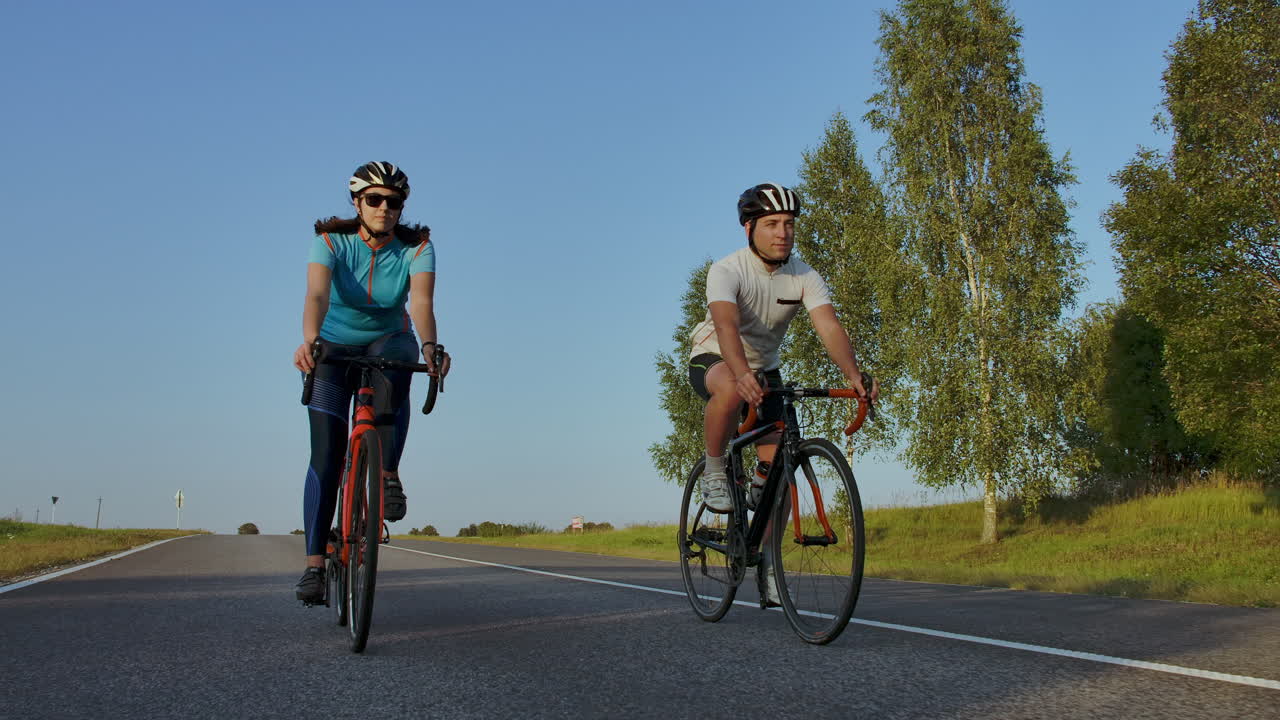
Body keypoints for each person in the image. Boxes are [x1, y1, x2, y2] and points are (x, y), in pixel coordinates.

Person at [687, 182, 878, 602]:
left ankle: (770, 564)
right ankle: (716, 469)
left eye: (789, 224)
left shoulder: (804, 274)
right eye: (772, 223)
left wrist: (853, 374)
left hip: (765, 369)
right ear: (749, 228)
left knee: (778, 473)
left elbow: (827, 326)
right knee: (732, 391)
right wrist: (740, 373)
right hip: (716, 357)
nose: (782, 233)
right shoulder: (728, 270)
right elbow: (726, 327)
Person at [292, 161, 451, 604]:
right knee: (325, 454)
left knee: (397, 363)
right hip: (335, 346)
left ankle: (386, 472)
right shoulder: (330, 241)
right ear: (357, 203)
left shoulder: (417, 248)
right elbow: (317, 295)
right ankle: (314, 567)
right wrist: (309, 341)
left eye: (394, 202)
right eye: (375, 200)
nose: (385, 208)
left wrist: (430, 347)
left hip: (389, 339)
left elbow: (420, 303)